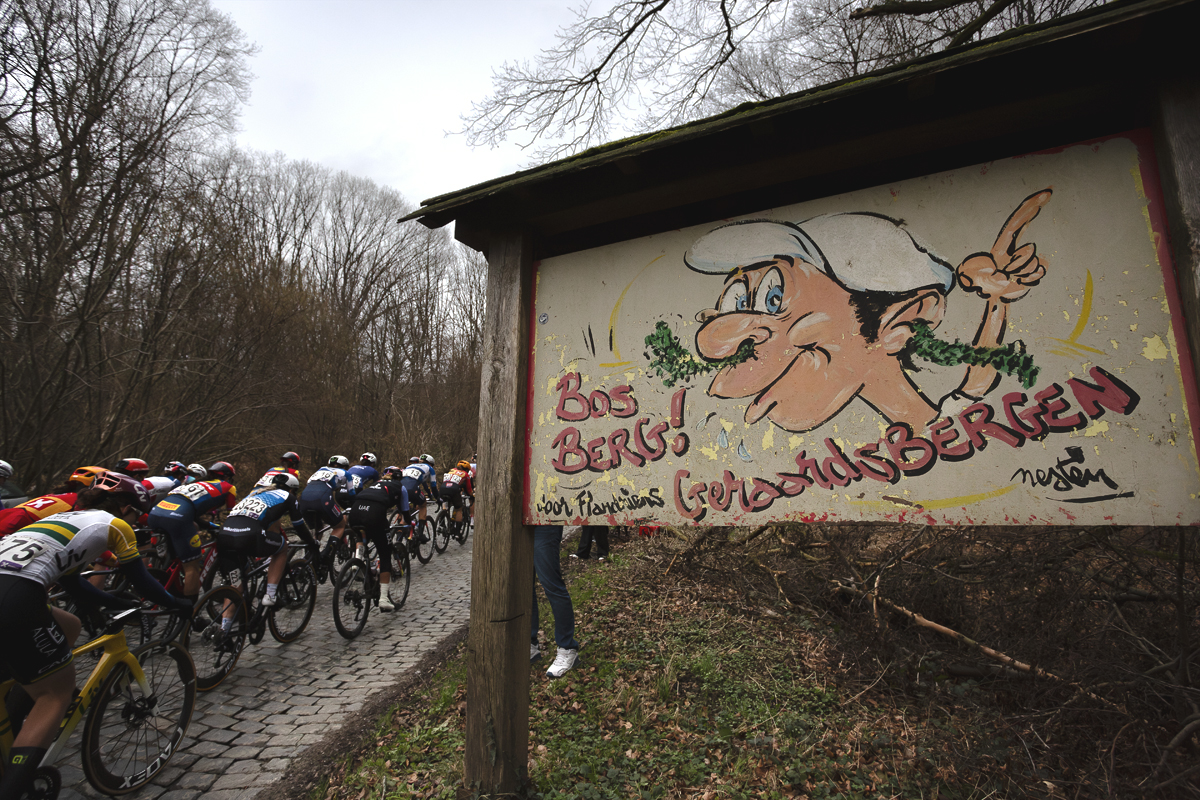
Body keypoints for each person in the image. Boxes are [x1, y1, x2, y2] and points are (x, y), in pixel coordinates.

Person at [681, 191, 1051, 433]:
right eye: (739, 300)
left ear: (899, 324)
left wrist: (997, 302)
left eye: (776, 297)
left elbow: (976, 387)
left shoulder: (950, 428)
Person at [0, 470, 191, 800]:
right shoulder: (115, 525)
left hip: (13, 590)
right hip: (15, 596)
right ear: (127, 509)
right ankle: (14, 788)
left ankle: (17, 707)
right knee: (55, 695)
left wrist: (115, 601)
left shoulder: (62, 521)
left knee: (69, 626)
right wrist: (178, 603)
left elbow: (76, 586)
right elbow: (143, 581)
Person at [147, 461, 238, 602]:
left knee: (176, 557)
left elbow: (191, 512)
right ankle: (189, 614)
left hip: (155, 514)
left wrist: (208, 525)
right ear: (227, 477)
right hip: (177, 519)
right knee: (192, 566)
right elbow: (230, 515)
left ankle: (172, 588)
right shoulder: (228, 487)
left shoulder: (193, 484)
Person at [215, 472, 300, 610]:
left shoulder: (255, 494)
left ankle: (224, 627)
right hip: (248, 537)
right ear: (291, 489)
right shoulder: (287, 496)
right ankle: (271, 595)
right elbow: (299, 525)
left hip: (224, 537)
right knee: (282, 547)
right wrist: (313, 543)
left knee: (236, 587)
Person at [347, 468, 410, 612]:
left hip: (355, 512)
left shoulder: (375, 484)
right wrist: (408, 525)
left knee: (362, 533)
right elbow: (405, 511)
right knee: (385, 553)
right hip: (374, 514)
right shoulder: (400, 487)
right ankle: (383, 599)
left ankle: (358, 560)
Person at [531, 525, 581, 678]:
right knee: (523, 584)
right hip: (519, 518)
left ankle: (567, 648)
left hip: (544, 519)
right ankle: (530, 643)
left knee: (551, 583)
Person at [0, 465, 104, 539]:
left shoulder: (57, 495)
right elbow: (83, 534)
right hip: (9, 530)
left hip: (7, 523)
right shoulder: (77, 503)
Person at [298, 456, 353, 564]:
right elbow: (351, 494)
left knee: (317, 527)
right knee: (340, 525)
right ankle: (326, 554)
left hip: (304, 499)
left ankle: (310, 557)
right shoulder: (345, 473)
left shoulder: (320, 470)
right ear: (345, 467)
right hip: (322, 499)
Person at [400, 454, 439, 524]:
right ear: (431, 463)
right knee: (423, 504)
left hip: (399, 488)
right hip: (411, 489)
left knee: (404, 512)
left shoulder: (409, 466)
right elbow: (433, 486)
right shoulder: (429, 468)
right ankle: (420, 532)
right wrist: (437, 498)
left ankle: (400, 531)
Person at [440, 460, 474, 526]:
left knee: (446, 503)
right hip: (453, 489)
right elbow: (469, 489)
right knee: (458, 508)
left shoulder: (451, 470)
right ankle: (457, 532)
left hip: (443, 488)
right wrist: (472, 496)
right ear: (467, 469)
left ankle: (442, 519)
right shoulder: (465, 474)